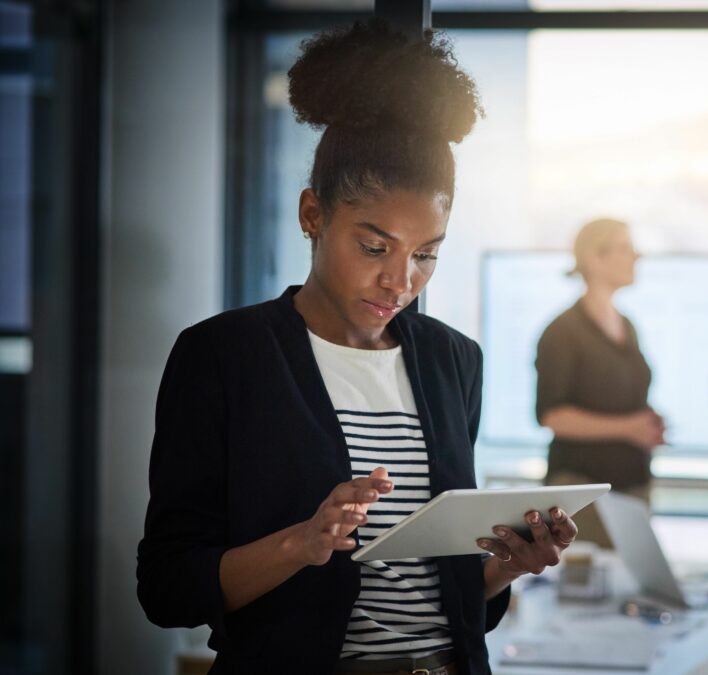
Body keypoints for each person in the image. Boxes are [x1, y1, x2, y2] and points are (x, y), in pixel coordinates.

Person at [136, 21, 577, 675]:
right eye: (375, 247)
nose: (401, 280)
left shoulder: (454, 361)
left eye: (426, 254)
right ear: (313, 215)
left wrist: (501, 567)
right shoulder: (224, 356)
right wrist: (301, 543)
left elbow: (450, 600)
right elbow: (169, 586)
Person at [535, 218, 665, 547]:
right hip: (583, 492)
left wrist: (647, 424)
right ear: (594, 258)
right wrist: (627, 427)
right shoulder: (562, 332)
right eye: (626, 248)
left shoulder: (628, 325)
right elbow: (553, 416)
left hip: (633, 486)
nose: (636, 257)